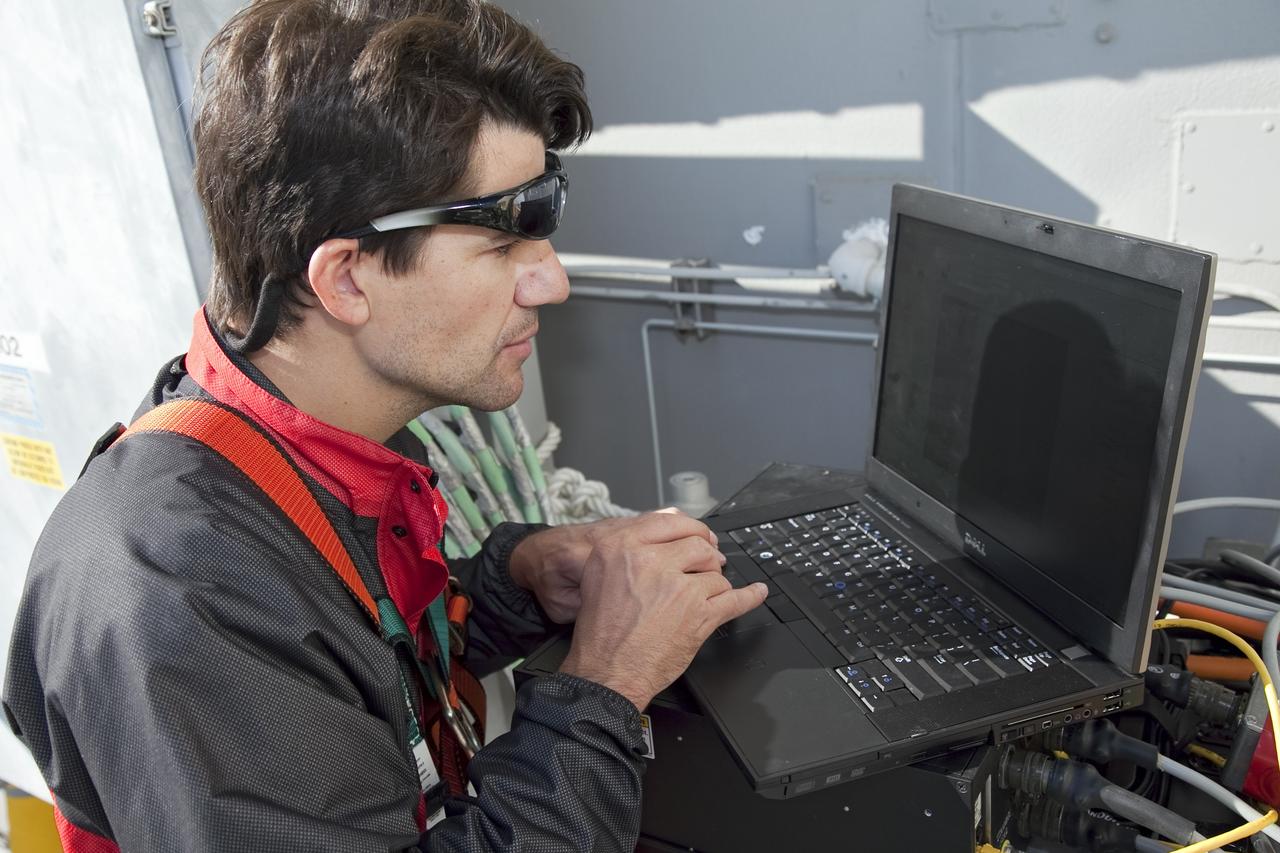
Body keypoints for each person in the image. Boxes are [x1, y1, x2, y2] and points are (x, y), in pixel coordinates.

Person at [2, 1, 768, 850]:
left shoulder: (307, 447)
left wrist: (514, 585)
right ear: (347, 279)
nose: (550, 281)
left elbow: (339, 669)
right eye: (506, 238)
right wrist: (607, 683)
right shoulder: (179, 592)